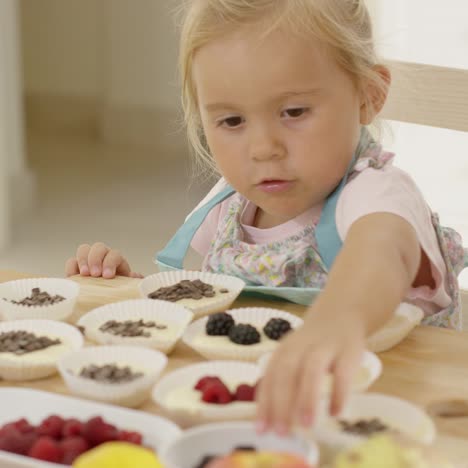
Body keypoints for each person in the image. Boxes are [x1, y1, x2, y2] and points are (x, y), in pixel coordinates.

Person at [66, 0, 467, 436]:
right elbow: (214, 306)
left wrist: (339, 319)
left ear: (368, 96)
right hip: (269, 419)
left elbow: (381, 255)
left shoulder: (376, 192)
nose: (263, 148)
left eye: (293, 112)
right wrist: (130, 288)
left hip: (389, 419)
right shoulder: (227, 203)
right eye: (232, 120)